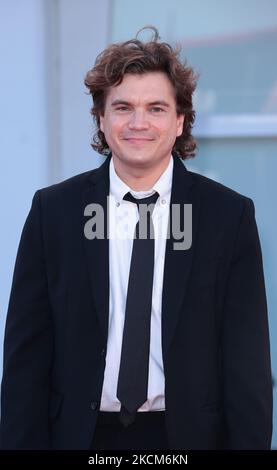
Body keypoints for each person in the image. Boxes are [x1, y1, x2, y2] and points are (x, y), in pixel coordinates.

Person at [0, 27, 272, 450]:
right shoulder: (52, 213)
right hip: (78, 437)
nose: (139, 123)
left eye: (156, 108)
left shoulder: (229, 217)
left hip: (188, 440)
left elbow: (246, 364)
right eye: (123, 107)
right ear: (102, 120)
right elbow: (25, 360)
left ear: (180, 121)